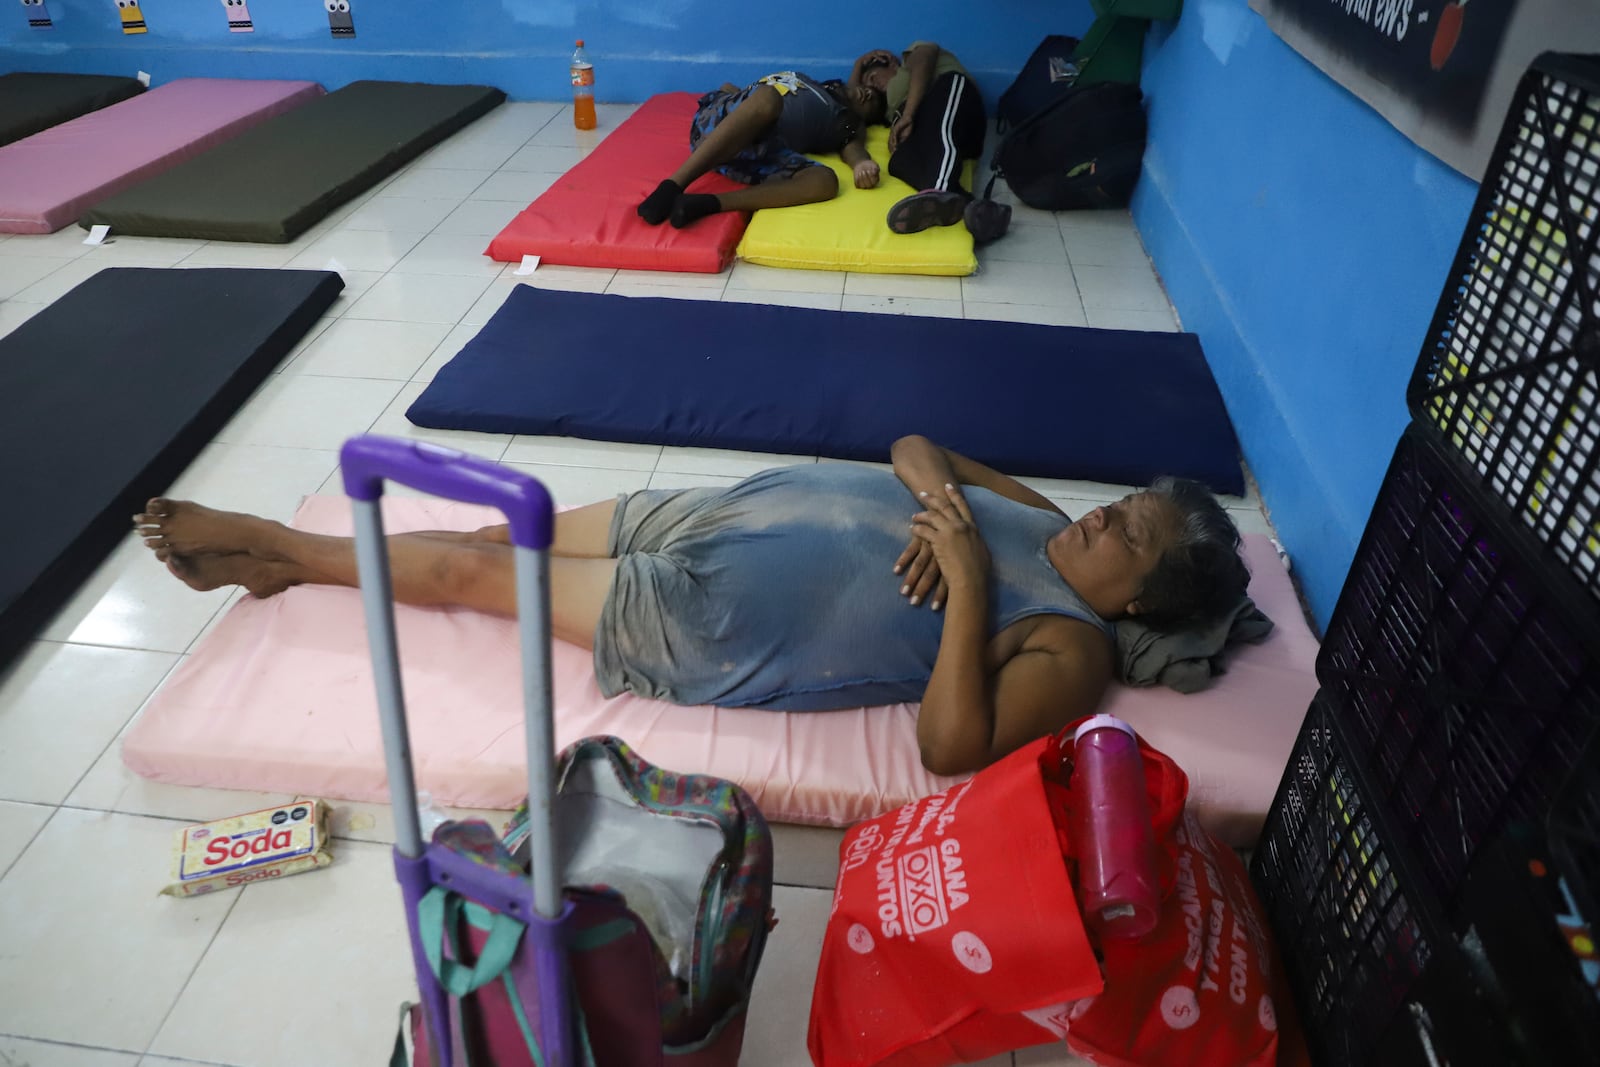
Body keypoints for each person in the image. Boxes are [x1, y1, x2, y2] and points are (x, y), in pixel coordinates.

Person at [133, 435, 1247, 777]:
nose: (1105, 520)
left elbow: (952, 745)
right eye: (1125, 505)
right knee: (486, 537)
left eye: (1130, 535)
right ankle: (297, 557)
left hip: (711, 616)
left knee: (479, 579)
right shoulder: (1046, 511)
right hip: (716, 511)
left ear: (1141, 593)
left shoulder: (1073, 643)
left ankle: (277, 550)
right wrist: (938, 504)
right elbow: (914, 445)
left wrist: (965, 577)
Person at [636, 71, 887, 229]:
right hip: (719, 128)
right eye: (869, 90)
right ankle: (672, 186)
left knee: (825, 181)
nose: (868, 95)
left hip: (758, 153)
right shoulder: (813, 83)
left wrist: (862, 164)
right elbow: (738, 94)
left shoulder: (845, 119)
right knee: (765, 98)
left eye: (874, 101)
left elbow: (852, 146)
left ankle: (705, 204)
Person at [850, 42, 1011, 244]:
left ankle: (939, 189)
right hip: (931, 134)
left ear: (890, 62)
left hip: (956, 103)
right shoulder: (887, 109)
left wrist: (908, 114)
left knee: (942, 108)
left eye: (873, 77)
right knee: (898, 162)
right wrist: (858, 66)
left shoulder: (911, 59)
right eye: (868, 86)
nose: (872, 87)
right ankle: (980, 211)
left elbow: (925, 57)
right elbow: (850, 105)